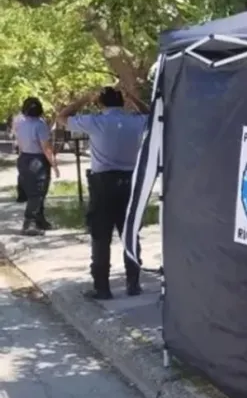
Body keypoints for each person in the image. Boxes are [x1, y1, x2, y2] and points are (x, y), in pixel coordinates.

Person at [56, 86, 149, 300]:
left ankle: (102, 287)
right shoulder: (135, 122)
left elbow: (62, 117)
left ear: (100, 103)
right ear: (122, 102)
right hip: (129, 182)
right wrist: (133, 97)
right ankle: (133, 283)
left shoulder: (94, 121)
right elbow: (152, 116)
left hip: (102, 184)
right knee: (130, 233)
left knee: (100, 236)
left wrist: (84, 98)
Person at [13, 98, 59, 235]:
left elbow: (20, 143)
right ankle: (29, 223)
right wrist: (54, 165)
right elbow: (46, 147)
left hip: (24, 158)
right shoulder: (40, 125)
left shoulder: (20, 124)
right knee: (37, 193)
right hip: (37, 160)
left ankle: (40, 220)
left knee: (35, 191)